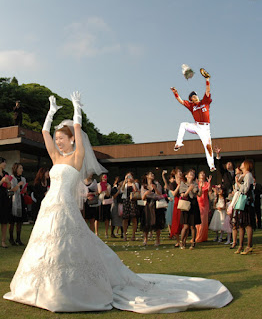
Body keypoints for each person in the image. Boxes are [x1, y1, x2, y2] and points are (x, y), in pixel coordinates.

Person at [4, 92, 233, 313]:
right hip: (48, 208)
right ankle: (39, 288)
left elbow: (77, 128)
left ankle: (66, 290)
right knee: (44, 246)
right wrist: (50, 113)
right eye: (57, 140)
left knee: (67, 246)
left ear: (72, 140)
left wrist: (76, 110)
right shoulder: (55, 157)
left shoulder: (76, 157)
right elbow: (44, 133)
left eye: (61, 139)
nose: (58, 142)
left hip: (65, 208)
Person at [170, 69, 216, 172]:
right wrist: (176, 93)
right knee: (183, 124)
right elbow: (181, 101)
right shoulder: (192, 106)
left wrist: (207, 79)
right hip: (196, 126)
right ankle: (178, 143)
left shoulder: (205, 102)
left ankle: (211, 165)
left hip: (205, 128)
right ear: (191, 99)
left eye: (195, 95)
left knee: (208, 146)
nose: (195, 96)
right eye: (193, 96)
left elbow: (207, 91)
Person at [233, 160, 255, 255]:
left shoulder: (248, 175)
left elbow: (245, 189)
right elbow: (236, 188)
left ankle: (249, 246)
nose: (240, 165)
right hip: (241, 202)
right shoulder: (242, 175)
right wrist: (237, 183)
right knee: (241, 224)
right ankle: (240, 245)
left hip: (246, 202)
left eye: (242, 164)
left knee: (247, 224)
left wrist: (238, 183)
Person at [179, 169, 202, 249]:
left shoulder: (195, 184)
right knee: (185, 226)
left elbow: (198, 194)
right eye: (190, 173)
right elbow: (183, 195)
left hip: (194, 204)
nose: (192, 174)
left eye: (193, 173)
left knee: (193, 226)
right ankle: (182, 242)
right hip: (186, 205)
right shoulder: (183, 184)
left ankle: (193, 242)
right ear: (186, 176)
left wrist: (200, 187)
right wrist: (189, 189)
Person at [9, 163, 27, 246]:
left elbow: (24, 190)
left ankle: (18, 238)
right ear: (16, 169)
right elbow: (11, 189)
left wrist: (24, 189)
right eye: (20, 168)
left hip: (21, 199)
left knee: (20, 221)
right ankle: (11, 238)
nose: (22, 170)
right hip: (13, 200)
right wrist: (19, 185)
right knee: (12, 221)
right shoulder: (11, 178)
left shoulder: (23, 178)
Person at [121, 172, 139, 241]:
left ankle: (133, 235)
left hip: (133, 201)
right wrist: (124, 181)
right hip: (126, 201)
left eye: (130, 176)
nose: (129, 178)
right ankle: (124, 234)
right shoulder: (124, 184)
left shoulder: (135, 183)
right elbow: (122, 190)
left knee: (134, 218)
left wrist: (133, 182)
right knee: (125, 218)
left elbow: (136, 190)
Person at [196, 171, 212, 242]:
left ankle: (202, 237)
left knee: (204, 220)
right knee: (198, 221)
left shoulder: (206, 183)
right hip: (198, 202)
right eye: (201, 174)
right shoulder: (197, 183)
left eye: (203, 174)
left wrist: (210, 182)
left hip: (205, 203)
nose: (202, 175)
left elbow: (210, 190)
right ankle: (198, 236)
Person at [0, 157, 12, 248]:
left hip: (4, 198)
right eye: (3, 162)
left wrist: (8, 183)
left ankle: (3, 241)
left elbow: (8, 187)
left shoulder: (6, 174)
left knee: (4, 221)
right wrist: (1, 181)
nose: (5, 164)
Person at [98, 174, 112, 238]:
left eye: (105, 177)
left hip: (106, 202)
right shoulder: (98, 184)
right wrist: (101, 187)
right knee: (98, 217)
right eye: (103, 177)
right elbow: (99, 192)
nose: (104, 178)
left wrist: (106, 188)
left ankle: (106, 232)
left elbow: (108, 194)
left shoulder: (109, 185)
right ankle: (96, 232)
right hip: (100, 201)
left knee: (107, 218)